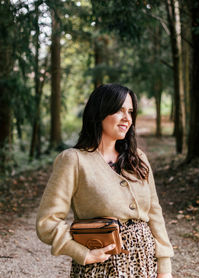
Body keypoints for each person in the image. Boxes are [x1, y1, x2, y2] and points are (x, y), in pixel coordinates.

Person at [36, 84, 174, 278]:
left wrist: (164, 266)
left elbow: (154, 212)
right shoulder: (73, 160)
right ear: (100, 112)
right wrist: (82, 253)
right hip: (100, 267)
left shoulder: (138, 158)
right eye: (119, 110)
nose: (127, 118)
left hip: (145, 262)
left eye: (131, 111)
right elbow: (47, 222)